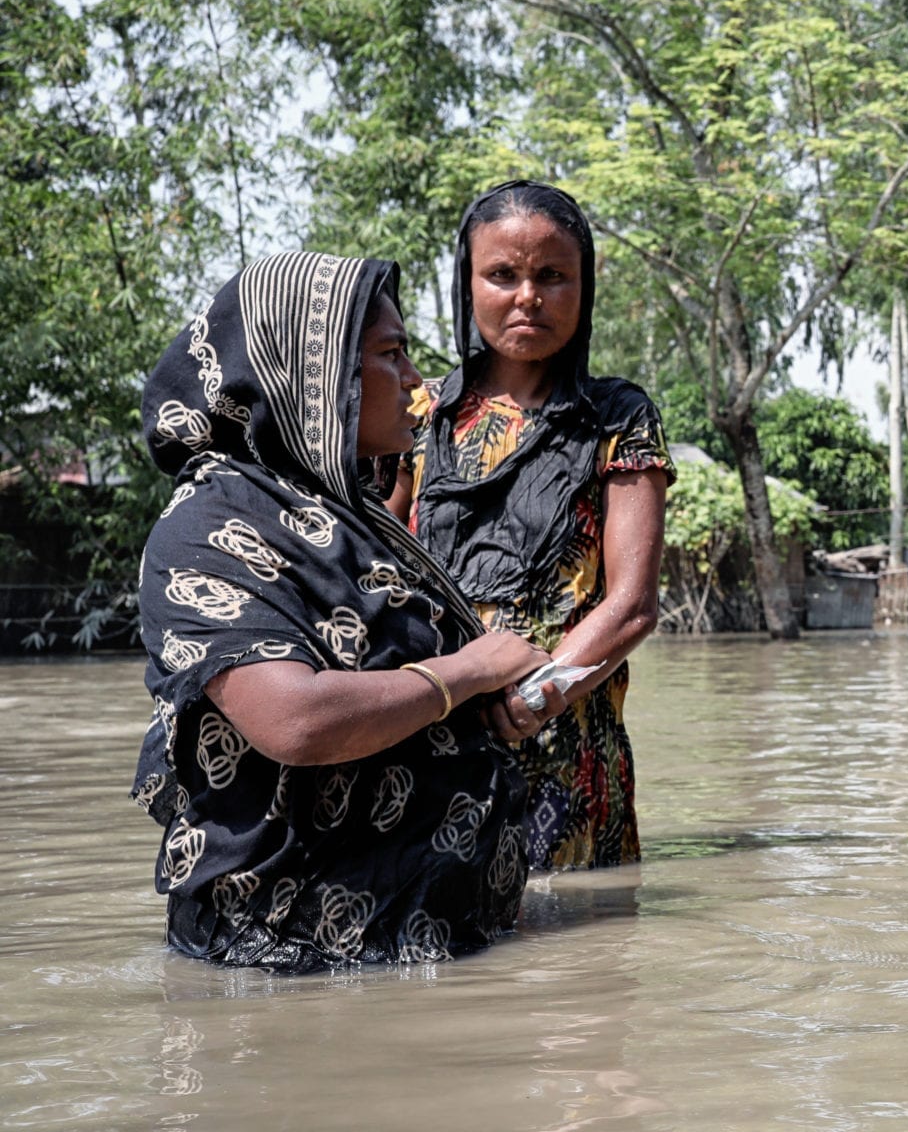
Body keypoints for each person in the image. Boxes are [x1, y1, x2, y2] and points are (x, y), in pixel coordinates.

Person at [131, 251, 561, 970]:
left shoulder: (348, 517)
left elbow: (400, 686)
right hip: (292, 962)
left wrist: (492, 701)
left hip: (414, 945)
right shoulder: (207, 526)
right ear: (312, 373)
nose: (417, 382)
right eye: (391, 355)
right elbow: (295, 720)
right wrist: (465, 671)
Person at [393, 181, 673, 873]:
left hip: (568, 742)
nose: (528, 297)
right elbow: (382, 568)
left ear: (584, 288)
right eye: (503, 275)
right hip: (435, 735)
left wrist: (538, 693)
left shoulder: (619, 418)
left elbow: (632, 605)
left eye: (552, 276)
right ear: (467, 284)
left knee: (575, 959)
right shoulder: (417, 412)